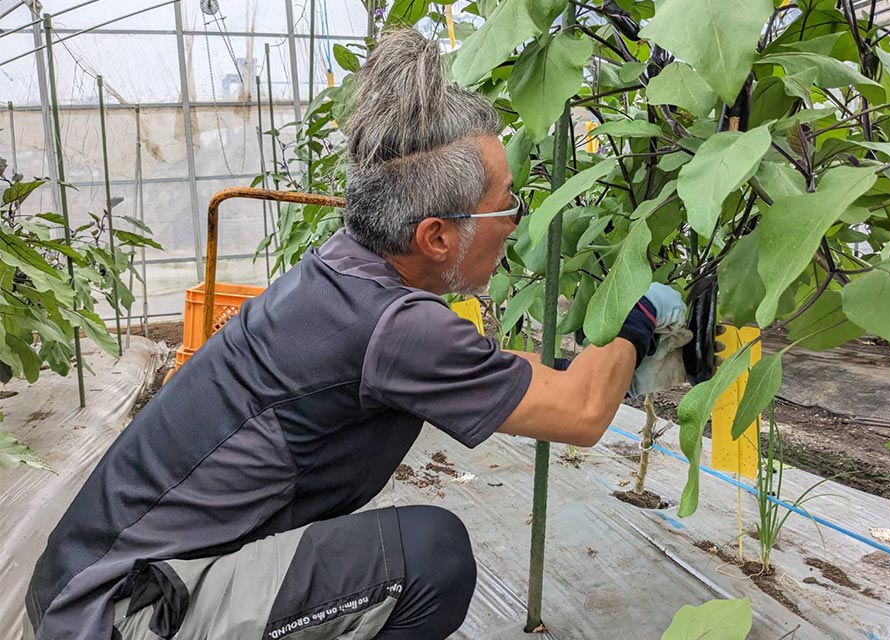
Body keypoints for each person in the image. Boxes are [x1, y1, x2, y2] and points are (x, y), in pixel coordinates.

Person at [24, 29, 684, 640]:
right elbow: (584, 412)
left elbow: (497, 369)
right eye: (507, 203)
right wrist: (636, 319)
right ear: (437, 236)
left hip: (81, 580)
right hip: (116, 614)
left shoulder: (345, 272)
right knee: (430, 556)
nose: (516, 220)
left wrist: (578, 354)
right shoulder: (394, 328)